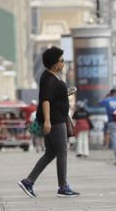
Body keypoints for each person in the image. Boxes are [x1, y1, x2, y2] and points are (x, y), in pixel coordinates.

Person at [18, 46, 80, 198]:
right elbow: (46, 100)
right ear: (54, 63)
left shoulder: (50, 77)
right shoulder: (49, 79)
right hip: (55, 121)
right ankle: (63, 186)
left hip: (55, 119)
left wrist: (65, 93)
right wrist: (47, 121)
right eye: (61, 61)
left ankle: (29, 181)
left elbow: (52, 97)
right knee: (62, 152)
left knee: (51, 153)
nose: (63, 63)